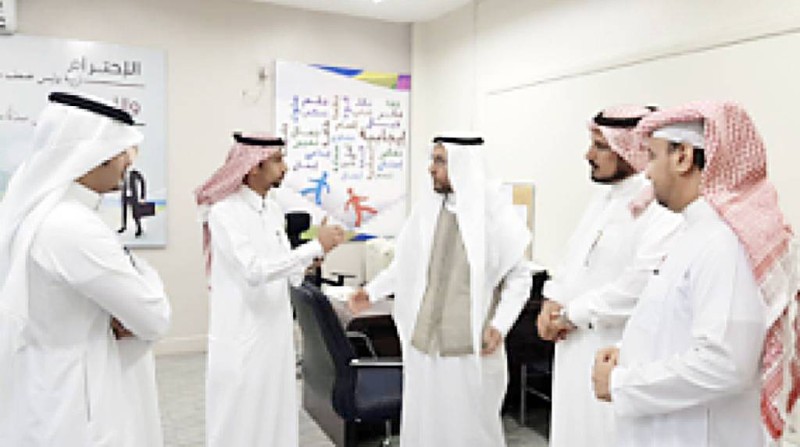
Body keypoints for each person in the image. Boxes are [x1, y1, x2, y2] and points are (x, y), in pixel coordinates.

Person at [592, 101, 800, 446]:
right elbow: (675, 322)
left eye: (652, 156)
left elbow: (726, 363)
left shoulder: (724, 243)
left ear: (683, 157)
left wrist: (622, 384)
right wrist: (626, 353)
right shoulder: (696, 232)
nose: (647, 174)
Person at [0, 91, 171, 446]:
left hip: (51, 387)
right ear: (96, 154)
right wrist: (145, 279)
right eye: (122, 151)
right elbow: (154, 317)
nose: (128, 162)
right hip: (79, 399)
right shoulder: (71, 226)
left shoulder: (48, 214)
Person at [349, 133, 532, 446]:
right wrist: (372, 291)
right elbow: (405, 265)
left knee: (468, 428)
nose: (431, 168)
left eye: (440, 161)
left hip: (469, 346)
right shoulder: (427, 211)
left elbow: (520, 278)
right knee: (426, 424)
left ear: (464, 165)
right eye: (433, 160)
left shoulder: (496, 216)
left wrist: (500, 325)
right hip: (425, 343)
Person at [537, 105, 681, 446]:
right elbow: (574, 257)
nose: (588, 155)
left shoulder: (660, 208)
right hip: (573, 347)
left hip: (614, 351)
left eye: (601, 146)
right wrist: (553, 299)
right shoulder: (604, 197)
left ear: (632, 149)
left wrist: (571, 314)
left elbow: (640, 285)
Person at [195, 132, 345, 446]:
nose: (284, 168)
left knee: (275, 410)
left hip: (275, 332)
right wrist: (312, 246)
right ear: (252, 167)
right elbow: (253, 270)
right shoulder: (225, 213)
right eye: (277, 160)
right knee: (239, 413)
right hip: (242, 333)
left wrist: (312, 260)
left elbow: (284, 270)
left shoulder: (273, 209)